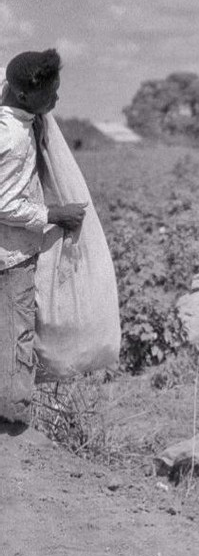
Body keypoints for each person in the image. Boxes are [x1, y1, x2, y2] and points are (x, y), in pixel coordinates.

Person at [0, 49, 88, 430]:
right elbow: (3, 203)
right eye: (50, 92)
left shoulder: (15, 119)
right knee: (17, 335)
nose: (56, 99)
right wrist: (54, 214)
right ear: (23, 96)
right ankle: (13, 423)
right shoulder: (14, 138)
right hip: (11, 255)